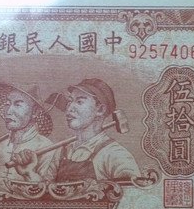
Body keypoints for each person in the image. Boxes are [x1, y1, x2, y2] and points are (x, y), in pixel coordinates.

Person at [12, 78, 141, 183]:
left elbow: (132, 195)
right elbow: (46, 195)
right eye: (69, 101)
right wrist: (29, 172)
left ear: (100, 109)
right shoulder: (62, 152)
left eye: (79, 102)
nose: (69, 109)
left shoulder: (114, 154)